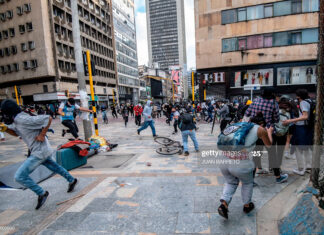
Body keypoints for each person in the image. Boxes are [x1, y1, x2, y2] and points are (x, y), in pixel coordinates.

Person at [0, 99, 78, 210]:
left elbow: (48, 118)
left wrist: (42, 134)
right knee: (56, 167)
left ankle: (41, 193)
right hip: (41, 150)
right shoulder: (17, 120)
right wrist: (6, 129)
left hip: (39, 152)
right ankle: (72, 180)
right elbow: (17, 132)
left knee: (19, 176)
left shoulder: (22, 119)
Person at [217, 113, 274, 219]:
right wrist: (269, 132)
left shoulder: (239, 125)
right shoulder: (260, 129)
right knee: (247, 183)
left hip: (224, 159)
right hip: (240, 163)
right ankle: (247, 206)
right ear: (262, 124)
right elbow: (269, 145)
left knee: (231, 182)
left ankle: (223, 204)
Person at [244, 88, 280, 175]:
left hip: (255, 130)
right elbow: (276, 119)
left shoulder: (256, 100)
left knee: (256, 154)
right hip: (268, 130)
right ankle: (278, 176)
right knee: (272, 154)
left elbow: (247, 113)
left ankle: (251, 178)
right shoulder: (273, 103)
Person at [282, 89, 314, 175]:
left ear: (299, 96)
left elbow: (305, 116)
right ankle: (308, 166)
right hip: (307, 127)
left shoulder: (303, 102)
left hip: (301, 128)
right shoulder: (310, 101)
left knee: (297, 148)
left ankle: (301, 169)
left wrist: (291, 120)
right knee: (306, 147)